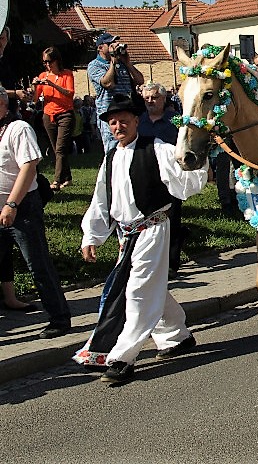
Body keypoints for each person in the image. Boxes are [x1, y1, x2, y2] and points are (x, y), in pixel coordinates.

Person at [73, 92, 207, 384]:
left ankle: (122, 357)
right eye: (113, 122)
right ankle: (176, 336)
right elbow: (101, 198)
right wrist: (91, 236)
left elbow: (186, 174)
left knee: (137, 291)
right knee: (149, 285)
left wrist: (201, 156)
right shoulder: (111, 157)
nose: (118, 127)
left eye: (124, 121)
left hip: (153, 228)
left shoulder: (156, 148)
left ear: (136, 121)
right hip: (127, 235)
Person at [0, 84, 73, 338]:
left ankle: (59, 318)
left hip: (21, 209)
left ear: (2, 104)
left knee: (38, 264)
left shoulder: (18, 128)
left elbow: (29, 167)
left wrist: (12, 204)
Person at [138, 82, 188, 274]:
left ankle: (171, 263)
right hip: (146, 175)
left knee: (172, 218)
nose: (150, 101)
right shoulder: (139, 120)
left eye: (155, 97)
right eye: (147, 98)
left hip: (170, 176)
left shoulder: (175, 120)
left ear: (164, 98)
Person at [17, 47, 74, 190]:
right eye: (45, 62)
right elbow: (35, 99)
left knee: (60, 149)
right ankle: (67, 177)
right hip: (48, 115)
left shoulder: (66, 74)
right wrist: (35, 86)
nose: (47, 65)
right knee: (56, 149)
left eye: (49, 61)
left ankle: (57, 181)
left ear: (57, 60)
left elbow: (70, 93)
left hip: (65, 114)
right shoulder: (43, 75)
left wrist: (53, 84)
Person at [87, 32, 145, 152]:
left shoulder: (122, 63)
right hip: (110, 115)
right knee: (113, 149)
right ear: (100, 48)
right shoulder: (94, 65)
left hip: (128, 111)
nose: (115, 45)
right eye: (110, 43)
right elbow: (108, 83)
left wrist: (128, 63)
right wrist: (113, 63)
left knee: (133, 147)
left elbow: (140, 80)